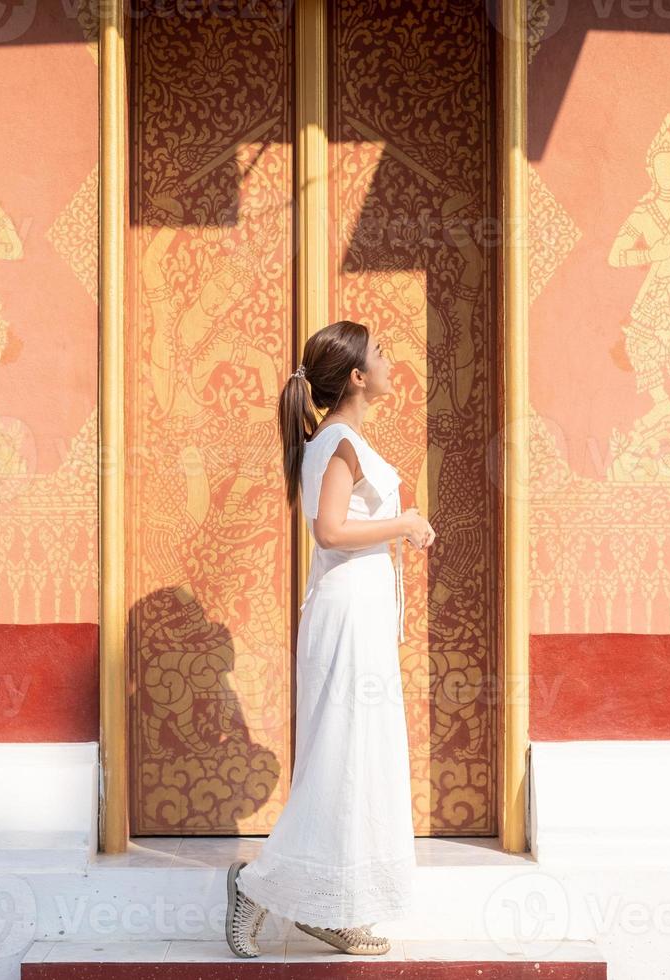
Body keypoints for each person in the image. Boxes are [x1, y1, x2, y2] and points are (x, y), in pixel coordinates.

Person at [224, 319, 435, 957]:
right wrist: (405, 522)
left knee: (357, 760)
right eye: (380, 353)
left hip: (357, 614)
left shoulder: (335, 440)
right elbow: (331, 532)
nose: (390, 360)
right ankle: (254, 885)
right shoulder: (340, 441)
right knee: (341, 756)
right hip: (346, 617)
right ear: (355, 377)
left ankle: (332, 905)